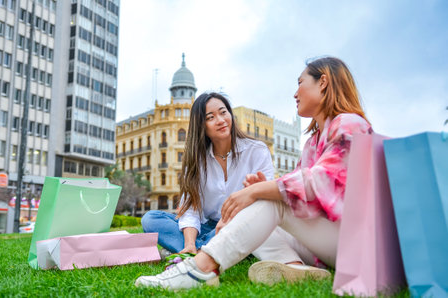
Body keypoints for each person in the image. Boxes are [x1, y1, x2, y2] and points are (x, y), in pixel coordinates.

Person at [135, 57, 373, 290]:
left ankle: (200, 268)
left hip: (353, 244)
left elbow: (323, 182)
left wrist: (261, 190)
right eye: (210, 117)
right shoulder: (313, 142)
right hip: (320, 241)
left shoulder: (349, 124)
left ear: (322, 82)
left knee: (265, 203)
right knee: (259, 207)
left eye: (300, 82)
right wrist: (264, 192)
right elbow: (303, 194)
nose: (295, 93)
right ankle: (295, 267)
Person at [141, 92, 274, 255]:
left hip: (241, 223)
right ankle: (199, 249)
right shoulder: (196, 161)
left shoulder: (257, 150)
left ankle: (198, 251)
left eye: (223, 112)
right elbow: (190, 210)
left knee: (240, 228)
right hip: (208, 227)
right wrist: (190, 242)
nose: (220, 120)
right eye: (210, 117)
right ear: (201, 126)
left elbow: (265, 200)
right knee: (150, 219)